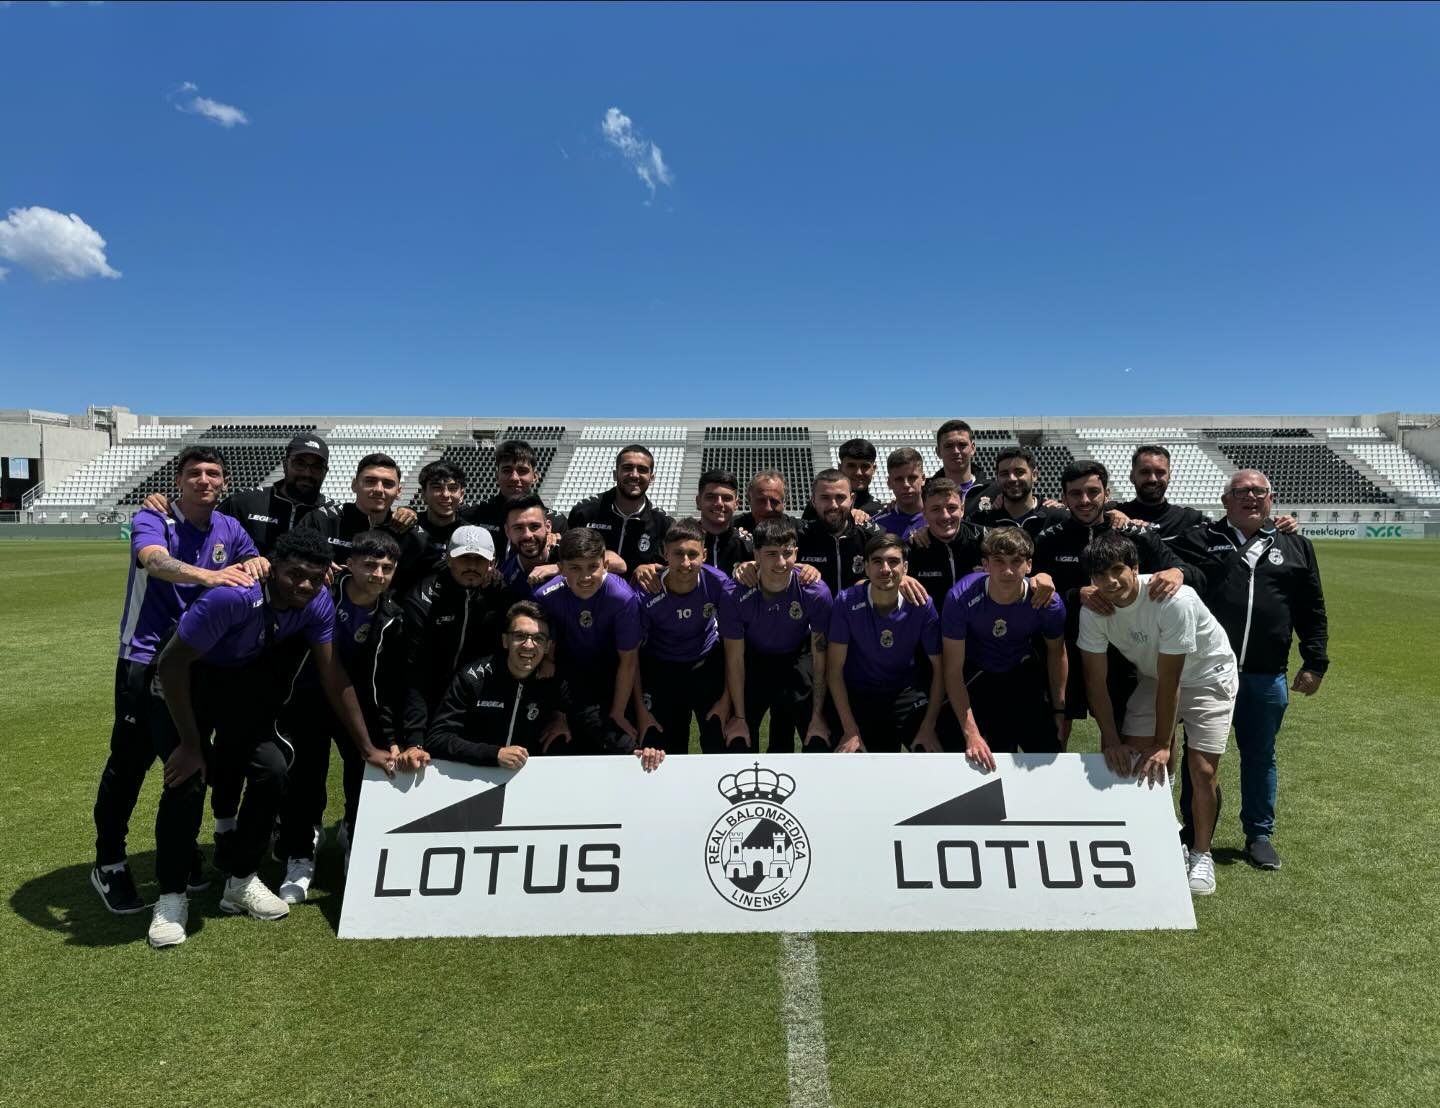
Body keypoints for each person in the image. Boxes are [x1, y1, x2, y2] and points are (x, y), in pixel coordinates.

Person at [145, 529, 396, 948]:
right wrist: (191, 744)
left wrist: (366, 745)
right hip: (179, 686)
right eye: (294, 574)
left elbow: (333, 675)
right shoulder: (234, 596)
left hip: (233, 687)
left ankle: (240, 880)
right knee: (185, 780)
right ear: (272, 567)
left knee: (272, 769)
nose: (303, 585)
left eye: (314, 578)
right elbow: (171, 665)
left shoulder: (316, 602)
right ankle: (171, 897)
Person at [91, 446, 262, 915]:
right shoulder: (155, 518)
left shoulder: (229, 525)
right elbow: (152, 560)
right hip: (143, 660)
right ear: (180, 480)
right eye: (194, 473)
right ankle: (109, 862)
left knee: (187, 765)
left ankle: (182, 852)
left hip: (193, 664)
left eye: (213, 473)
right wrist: (208, 576)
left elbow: (253, 560)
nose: (204, 480)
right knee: (129, 763)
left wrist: (258, 564)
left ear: (223, 482)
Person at [1173, 470, 1329, 871]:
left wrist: (1315, 662)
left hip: (1265, 672)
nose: (1252, 498)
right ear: (1226, 501)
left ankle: (1259, 834)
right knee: (1200, 758)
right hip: (1206, 673)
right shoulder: (1199, 540)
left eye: (1260, 491)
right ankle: (1193, 831)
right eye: (1242, 492)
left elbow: (1311, 608)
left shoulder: (1295, 544)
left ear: (1271, 499)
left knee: (1260, 756)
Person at [1077, 531, 1239, 896]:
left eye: (1118, 570)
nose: (1110, 582)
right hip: (1157, 676)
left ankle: (1201, 854)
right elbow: (1095, 682)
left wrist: (1164, 745)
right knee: (1132, 759)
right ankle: (1161, 838)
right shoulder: (1094, 610)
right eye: (1100, 575)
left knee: (1202, 770)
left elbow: (1173, 682)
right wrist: (1111, 740)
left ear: (1136, 568)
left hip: (1209, 676)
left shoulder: (1174, 600)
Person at [274, 530, 428, 904]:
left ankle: (353, 839)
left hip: (358, 708)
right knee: (304, 778)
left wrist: (392, 733)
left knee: (362, 777)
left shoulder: (392, 616)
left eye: (387, 568)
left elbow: (389, 681)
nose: (378, 574)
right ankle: (300, 853)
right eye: (370, 565)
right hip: (306, 703)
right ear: (351, 563)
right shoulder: (322, 591)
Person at [1031, 460, 1201, 734]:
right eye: (1075, 493)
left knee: (1128, 740)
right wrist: (1075, 595)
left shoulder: (1135, 535)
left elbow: (1192, 574)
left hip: (1127, 653)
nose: (1085, 500)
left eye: (1093, 492)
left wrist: (1177, 572)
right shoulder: (1049, 539)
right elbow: (1030, 592)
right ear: (1064, 497)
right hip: (1065, 652)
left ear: (1107, 494)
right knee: (1055, 738)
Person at [942, 528, 1068, 768]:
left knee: (1049, 755)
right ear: (985, 565)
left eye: (1016, 561)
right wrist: (971, 733)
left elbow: (1057, 653)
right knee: (971, 754)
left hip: (1021, 672)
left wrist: (1059, 712)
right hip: (977, 674)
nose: (1008, 571)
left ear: (1029, 565)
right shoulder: (960, 598)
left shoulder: (1047, 603)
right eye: (999, 561)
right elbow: (952, 670)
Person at [634, 519, 747, 755]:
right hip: (662, 668)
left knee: (717, 742)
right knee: (667, 749)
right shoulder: (646, 592)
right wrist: (641, 711)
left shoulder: (718, 584)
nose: (686, 562)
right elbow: (631, 656)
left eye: (692, 554)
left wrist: (727, 699)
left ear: (704, 554)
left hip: (705, 664)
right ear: (665, 553)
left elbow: (733, 649)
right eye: (678, 554)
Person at [827, 533, 945, 753]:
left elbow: (940, 669)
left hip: (905, 692)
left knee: (932, 752)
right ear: (866, 567)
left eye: (893, 561)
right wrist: (850, 729)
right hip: (859, 693)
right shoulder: (846, 602)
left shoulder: (922, 604)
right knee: (854, 759)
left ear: (905, 567)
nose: (885, 569)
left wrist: (928, 727)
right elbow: (834, 671)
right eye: (877, 561)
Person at [534, 527, 645, 754]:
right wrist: (558, 713)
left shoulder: (622, 598)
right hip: (568, 673)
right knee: (560, 743)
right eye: (575, 568)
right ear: (561, 568)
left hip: (610, 672)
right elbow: (548, 654)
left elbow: (628, 661)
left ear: (605, 565)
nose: (585, 577)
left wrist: (618, 712)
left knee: (619, 743)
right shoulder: (545, 597)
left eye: (592, 567)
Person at [400, 525, 512, 749]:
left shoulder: (501, 595)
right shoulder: (423, 599)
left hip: (473, 701)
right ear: (449, 559)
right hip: (426, 700)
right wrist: (414, 736)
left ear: (492, 563)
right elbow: (415, 671)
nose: (471, 566)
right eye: (464, 558)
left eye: (479, 559)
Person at [140, 434, 338, 555]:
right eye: (300, 463)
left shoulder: (336, 515)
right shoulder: (245, 502)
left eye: (316, 466)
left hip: (309, 615)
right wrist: (170, 505)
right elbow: (200, 525)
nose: (307, 472)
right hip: (246, 612)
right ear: (285, 464)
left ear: (325, 471)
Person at [734, 519, 834, 753]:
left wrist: (818, 715)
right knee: (738, 741)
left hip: (796, 658)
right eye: (771, 553)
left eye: (787, 553)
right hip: (754, 659)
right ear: (756, 554)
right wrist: (738, 716)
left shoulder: (815, 591)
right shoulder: (737, 592)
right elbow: (734, 658)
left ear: (796, 553)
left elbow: (820, 657)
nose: (781, 562)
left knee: (817, 739)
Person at [299, 452, 429, 593]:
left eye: (388, 484)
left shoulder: (410, 533)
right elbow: (290, 556)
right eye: (370, 481)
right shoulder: (322, 519)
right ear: (354, 485)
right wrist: (311, 563)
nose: (379, 489)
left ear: (398, 491)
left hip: (383, 612)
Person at [566, 444, 673, 576]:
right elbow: (565, 560)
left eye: (642, 469)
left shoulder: (664, 524)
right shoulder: (585, 513)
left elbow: (672, 570)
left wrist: (650, 570)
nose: (634, 475)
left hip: (637, 596)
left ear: (651, 478)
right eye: (627, 468)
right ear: (615, 474)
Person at [460, 439, 567, 560]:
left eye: (522, 471)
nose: (514, 478)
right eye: (507, 470)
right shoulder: (471, 515)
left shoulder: (557, 521)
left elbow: (571, 566)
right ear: (497, 476)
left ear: (535, 476)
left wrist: (555, 567)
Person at [899, 478, 987, 609]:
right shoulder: (911, 548)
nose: (945, 516)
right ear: (924, 513)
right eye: (935, 509)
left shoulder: (986, 540)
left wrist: (1030, 579)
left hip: (978, 627)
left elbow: (1019, 554)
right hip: (931, 626)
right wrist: (897, 579)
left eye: (952, 508)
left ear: (962, 509)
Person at [1116, 444, 1207, 541]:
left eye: (1160, 472)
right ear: (1132, 476)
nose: (1152, 479)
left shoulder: (1191, 520)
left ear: (1169, 476)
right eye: (1145, 472)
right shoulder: (1116, 518)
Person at [969, 446, 1068, 532]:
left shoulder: (1059, 518)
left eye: (1019, 472)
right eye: (1004, 474)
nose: (1012, 478)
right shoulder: (980, 522)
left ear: (1034, 475)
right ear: (997, 478)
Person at [497, 494, 559, 598]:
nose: (527, 535)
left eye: (534, 526)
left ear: (548, 527)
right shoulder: (503, 578)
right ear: (507, 532)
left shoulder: (569, 562)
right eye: (518, 528)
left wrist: (562, 570)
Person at [933, 419, 1000, 513]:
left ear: (973, 448)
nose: (956, 451)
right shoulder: (926, 493)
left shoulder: (995, 491)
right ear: (938, 452)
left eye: (962, 445)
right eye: (949, 446)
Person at [415, 459, 469, 574]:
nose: (445, 494)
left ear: (461, 495)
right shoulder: (407, 528)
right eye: (436, 487)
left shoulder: (470, 534)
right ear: (423, 494)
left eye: (453, 488)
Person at [869, 448, 928, 538]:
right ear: (889, 483)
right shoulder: (876, 525)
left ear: (923, 479)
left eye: (912, 477)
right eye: (899, 479)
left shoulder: (940, 518)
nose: (906, 485)